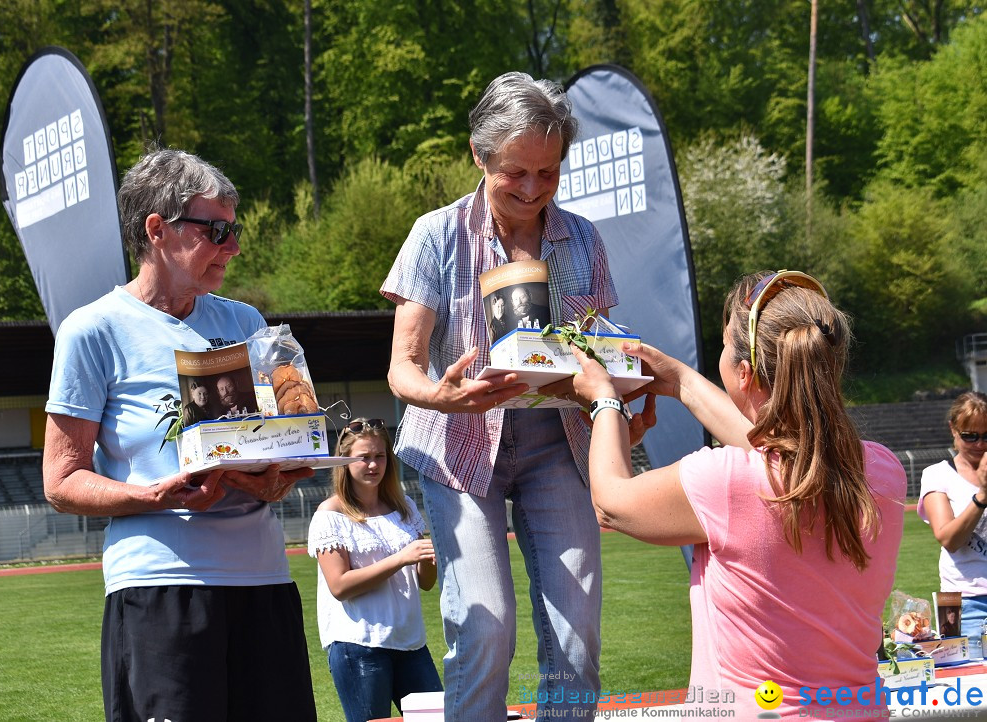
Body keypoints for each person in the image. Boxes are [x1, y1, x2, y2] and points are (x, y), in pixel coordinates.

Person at [546, 270, 906, 718]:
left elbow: (611, 503)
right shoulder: (884, 471)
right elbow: (789, 452)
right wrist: (681, 381)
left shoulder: (726, 481)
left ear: (743, 373)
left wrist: (605, 401)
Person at [42, 148, 317, 721]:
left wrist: (275, 479)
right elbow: (61, 481)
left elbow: (277, 447)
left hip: (263, 579)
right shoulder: (93, 330)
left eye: (234, 229)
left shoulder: (245, 323)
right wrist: (152, 496)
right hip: (159, 585)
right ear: (157, 229)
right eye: (216, 229)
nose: (233, 246)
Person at [380, 71, 617, 720]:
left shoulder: (584, 239)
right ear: (478, 153)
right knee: (484, 630)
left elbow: (603, 350)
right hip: (458, 452)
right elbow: (402, 368)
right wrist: (442, 395)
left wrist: (624, 395)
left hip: (559, 448)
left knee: (578, 640)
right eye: (517, 172)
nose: (534, 189)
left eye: (550, 172)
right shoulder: (436, 235)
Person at [307, 418, 442, 722]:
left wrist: (429, 559)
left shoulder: (403, 506)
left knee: (437, 719)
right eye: (363, 457)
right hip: (359, 646)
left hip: (411, 642)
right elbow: (340, 586)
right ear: (345, 462)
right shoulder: (330, 514)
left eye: (379, 456)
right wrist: (400, 558)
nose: (373, 465)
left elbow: (425, 583)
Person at [918, 391, 987, 639]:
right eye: (970, 436)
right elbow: (949, 539)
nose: (980, 444)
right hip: (962, 601)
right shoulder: (937, 474)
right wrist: (982, 496)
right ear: (953, 430)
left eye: (986, 436)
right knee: (968, 676)